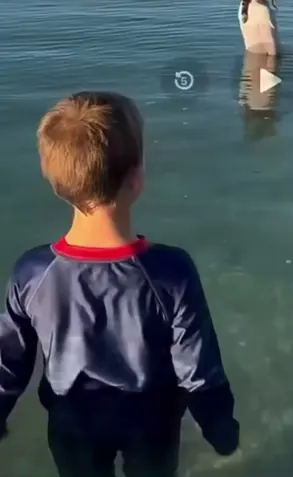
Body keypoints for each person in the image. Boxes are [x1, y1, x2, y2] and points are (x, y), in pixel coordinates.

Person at [0, 91, 239, 476]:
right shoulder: (170, 271)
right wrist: (218, 423)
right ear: (136, 180)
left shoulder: (33, 272)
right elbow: (197, 365)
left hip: (72, 422)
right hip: (152, 426)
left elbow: (9, 358)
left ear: (56, 182)